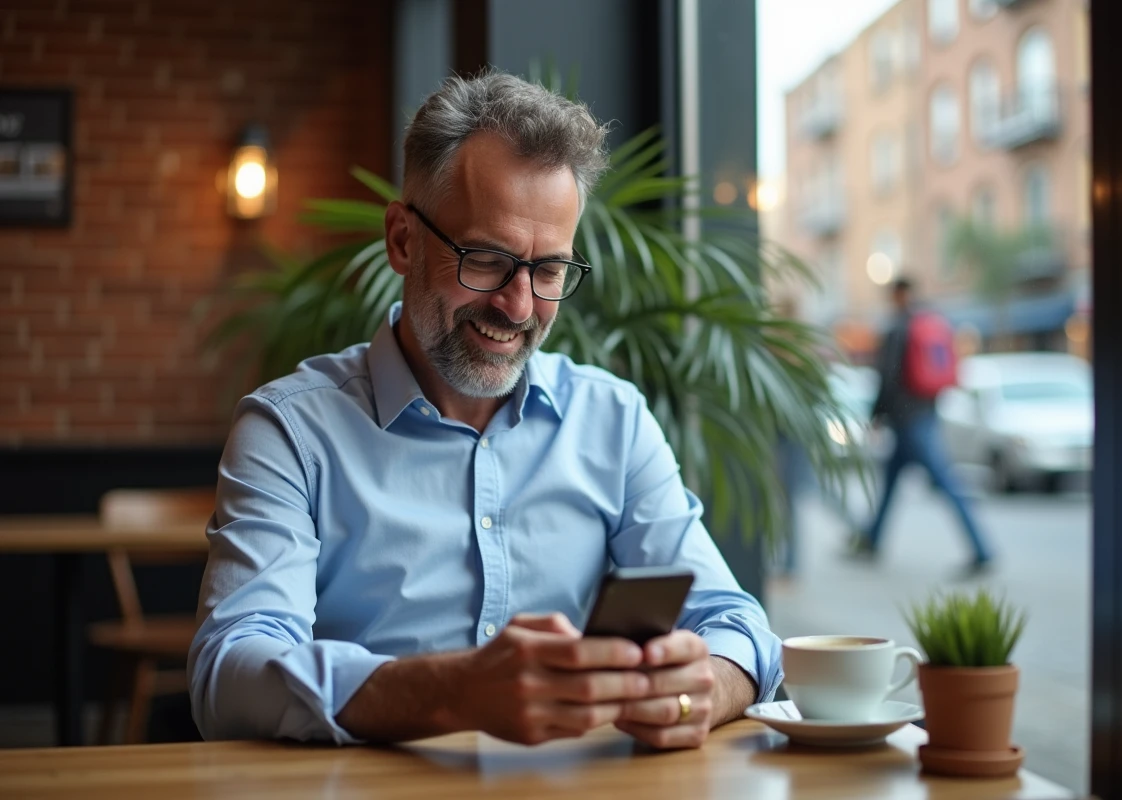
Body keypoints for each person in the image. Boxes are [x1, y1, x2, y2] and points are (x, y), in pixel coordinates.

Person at [188, 71, 782, 750]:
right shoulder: (290, 432)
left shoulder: (614, 421)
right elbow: (229, 673)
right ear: (403, 240)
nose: (519, 306)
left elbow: (736, 625)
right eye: (487, 259)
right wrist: (455, 692)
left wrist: (696, 690)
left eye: (549, 271)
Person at [848, 278, 993, 575]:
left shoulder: (897, 329)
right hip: (925, 413)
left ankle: (982, 549)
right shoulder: (929, 323)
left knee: (946, 483)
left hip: (908, 422)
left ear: (897, 295)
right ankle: (871, 540)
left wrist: (875, 416)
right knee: (889, 484)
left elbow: (887, 379)